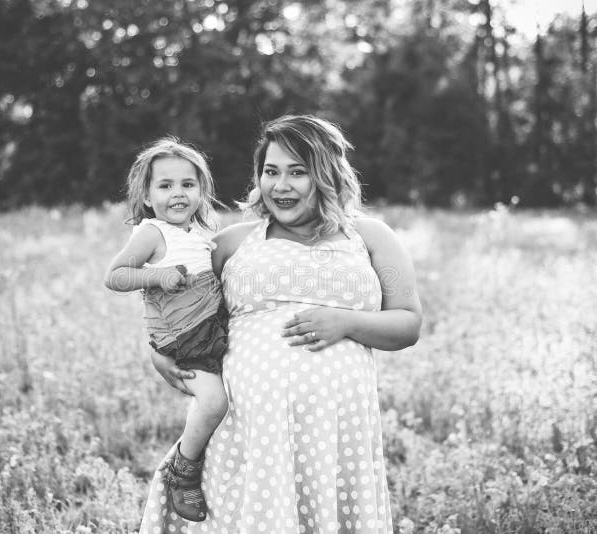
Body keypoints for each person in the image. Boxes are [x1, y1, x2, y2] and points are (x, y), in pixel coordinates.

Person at [140, 115, 423, 533]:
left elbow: (408, 323)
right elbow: (169, 301)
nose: (280, 185)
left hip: (336, 433)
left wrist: (344, 322)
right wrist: (155, 352)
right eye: (270, 172)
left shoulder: (369, 237)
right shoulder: (233, 242)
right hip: (249, 431)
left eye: (297, 172)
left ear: (326, 175)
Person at [104, 137, 229, 522]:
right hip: (183, 337)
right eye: (165, 185)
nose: (178, 194)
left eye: (187, 185)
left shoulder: (201, 233)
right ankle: (183, 471)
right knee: (213, 402)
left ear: (201, 190)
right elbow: (115, 276)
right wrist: (157, 276)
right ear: (146, 194)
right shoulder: (153, 232)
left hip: (211, 329)